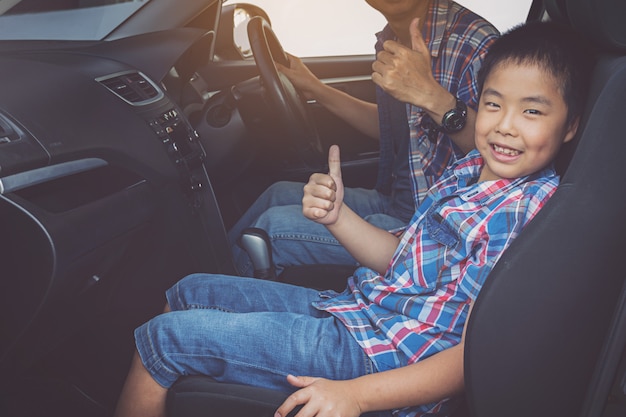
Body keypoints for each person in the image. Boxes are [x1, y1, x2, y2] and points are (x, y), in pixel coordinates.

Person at [113, 20, 591, 417]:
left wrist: (355, 396)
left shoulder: (521, 214)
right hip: (360, 313)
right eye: (492, 104)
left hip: (377, 358)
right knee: (190, 290)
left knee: (162, 341)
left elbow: (474, 356)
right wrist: (338, 217)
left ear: (570, 126)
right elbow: (400, 261)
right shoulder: (470, 171)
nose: (505, 124)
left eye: (531, 111)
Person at [229, 0, 499, 277]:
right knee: (277, 193)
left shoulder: (476, 46)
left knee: (270, 229)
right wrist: (315, 88)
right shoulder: (391, 40)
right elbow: (396, 128)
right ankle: (213, 270)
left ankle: (211, 297)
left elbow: (500, 156)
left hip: (433, 226)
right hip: (399, 199)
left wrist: (433, 97)